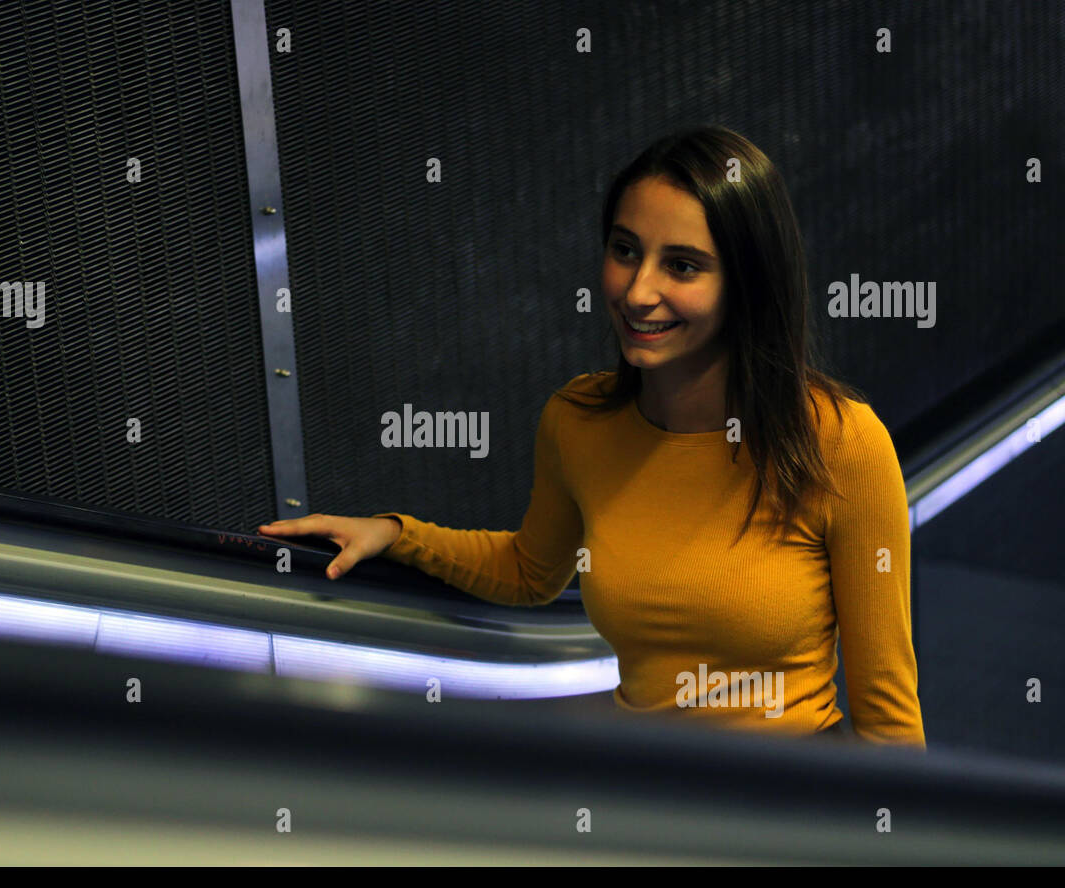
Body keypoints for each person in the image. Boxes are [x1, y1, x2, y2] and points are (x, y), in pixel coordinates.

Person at [258, 125, 925, 748]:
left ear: (748, 286)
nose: (638, 292)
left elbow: (889, 722)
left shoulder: (841, 444)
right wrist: (398, 534)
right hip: (642, 797)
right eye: (625, 250)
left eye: (683, 266)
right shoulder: (579, 421)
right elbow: (529, 570)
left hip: (793, 807)